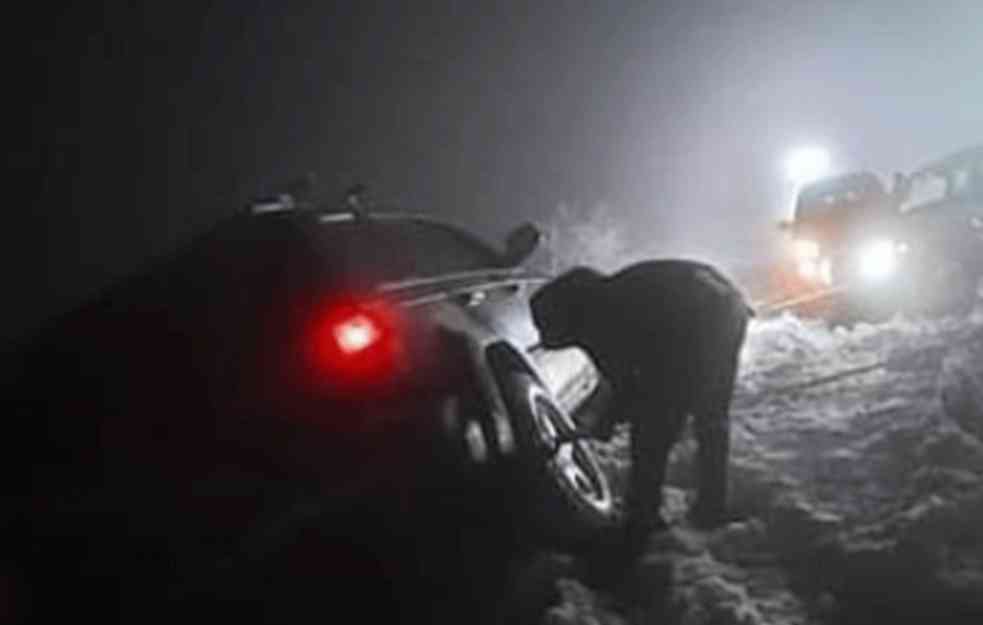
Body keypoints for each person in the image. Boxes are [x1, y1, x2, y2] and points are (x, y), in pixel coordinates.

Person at [530, 260, 752, 552]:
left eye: (547, 328)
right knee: (700, 415)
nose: (546, 339)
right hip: (721, 304)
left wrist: (610, 419)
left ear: (564, 317)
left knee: (662, 428)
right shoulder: (604, 299)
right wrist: (611, 417)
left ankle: (647, 520)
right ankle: (703, 505)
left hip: (707, 320)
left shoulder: (602, 317)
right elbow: (624, 382)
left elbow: (633, 385)